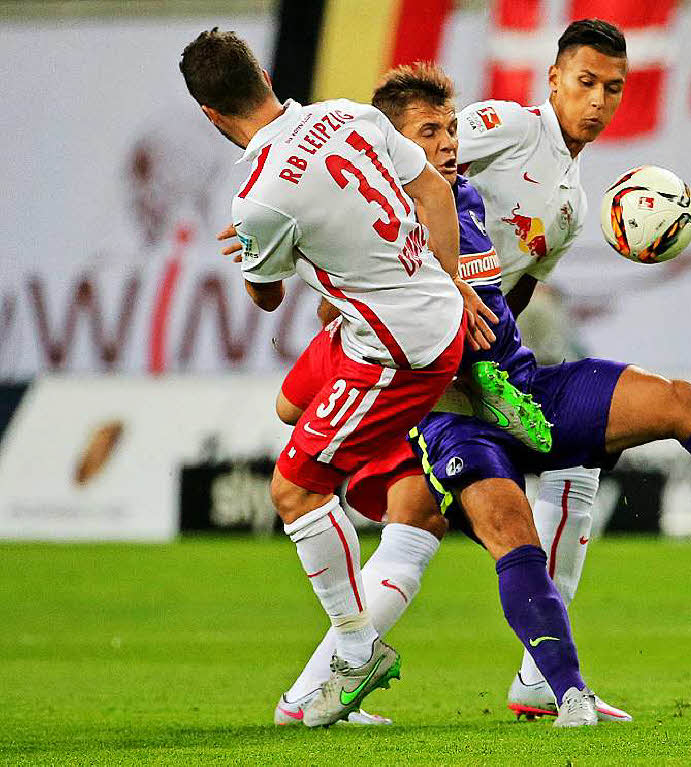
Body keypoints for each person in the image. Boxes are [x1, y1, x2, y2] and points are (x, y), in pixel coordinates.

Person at [271, 61, 691, 729]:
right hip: (454, 415)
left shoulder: (466, 199)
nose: (452, 141)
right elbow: (359, 316)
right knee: (506, 536)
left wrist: (494, 355)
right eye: (432, 132)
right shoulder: (393, 220)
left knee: (675, 401)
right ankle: (556, 690)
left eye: (452, 128)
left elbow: (502, 291)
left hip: (523, 382)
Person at [179, 28, 495, 727]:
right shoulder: (350, 114)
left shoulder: (257, 200)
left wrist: (259, 250)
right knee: (293, 411)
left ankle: (357, 648)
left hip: (396, 348)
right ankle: (320, 695)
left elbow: (266, 296)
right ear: (263, 73)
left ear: (209, 114)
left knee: (294, 488)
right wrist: (449, 283)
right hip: (410, 321)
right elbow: (434, 195)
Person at [453, 18, 630, 719]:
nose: (597, 101)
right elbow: (412, 167)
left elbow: (520, 285)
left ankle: (538, 672)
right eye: (585, 82)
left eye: (612, 89)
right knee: (406, 514)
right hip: (420, 330)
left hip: (477, 348)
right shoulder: (506, 125)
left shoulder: (574, 200)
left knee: (577, 458)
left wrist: (497, 340)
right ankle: (328, 674)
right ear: (552, 78)